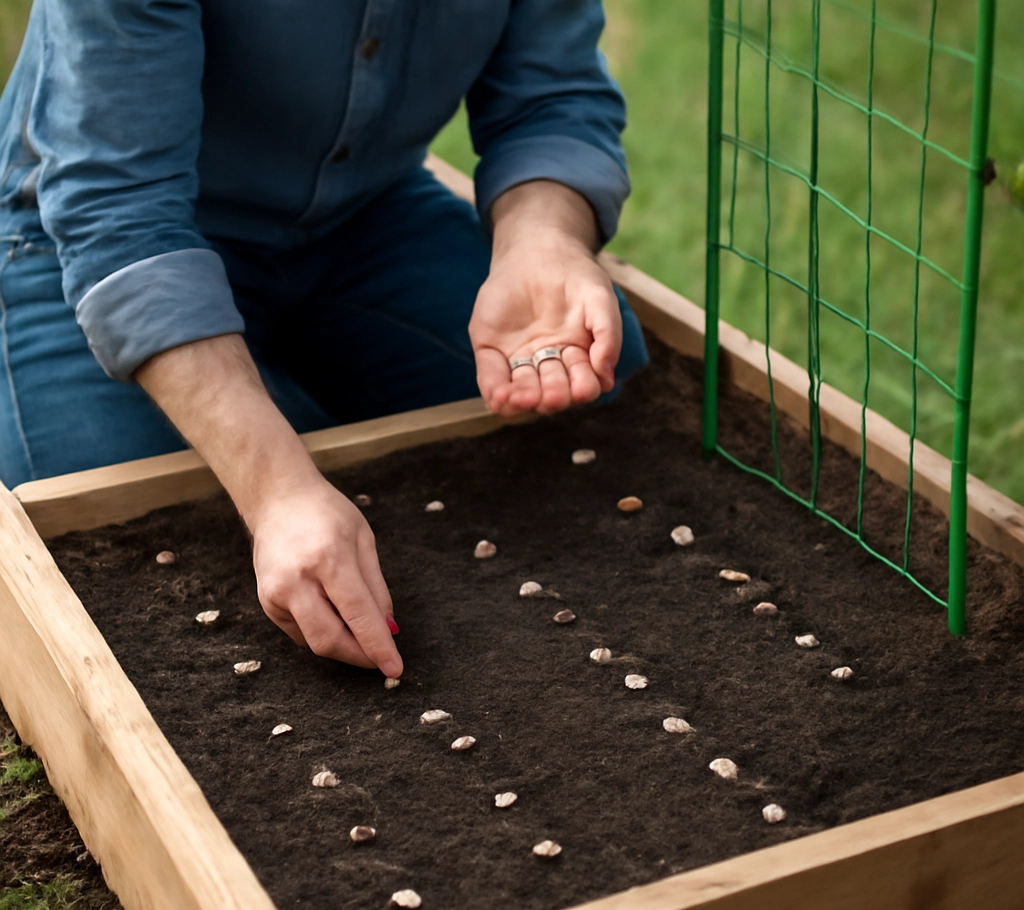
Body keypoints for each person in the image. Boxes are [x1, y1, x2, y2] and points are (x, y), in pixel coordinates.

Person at [0, 0, 648, 678]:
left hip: (360, 221)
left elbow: (552, 99)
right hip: (81, 250)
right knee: (126, 545)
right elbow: (118, 209)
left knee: (590, 375)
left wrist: (542, 240)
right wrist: (276, 486)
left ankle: (284, 392)